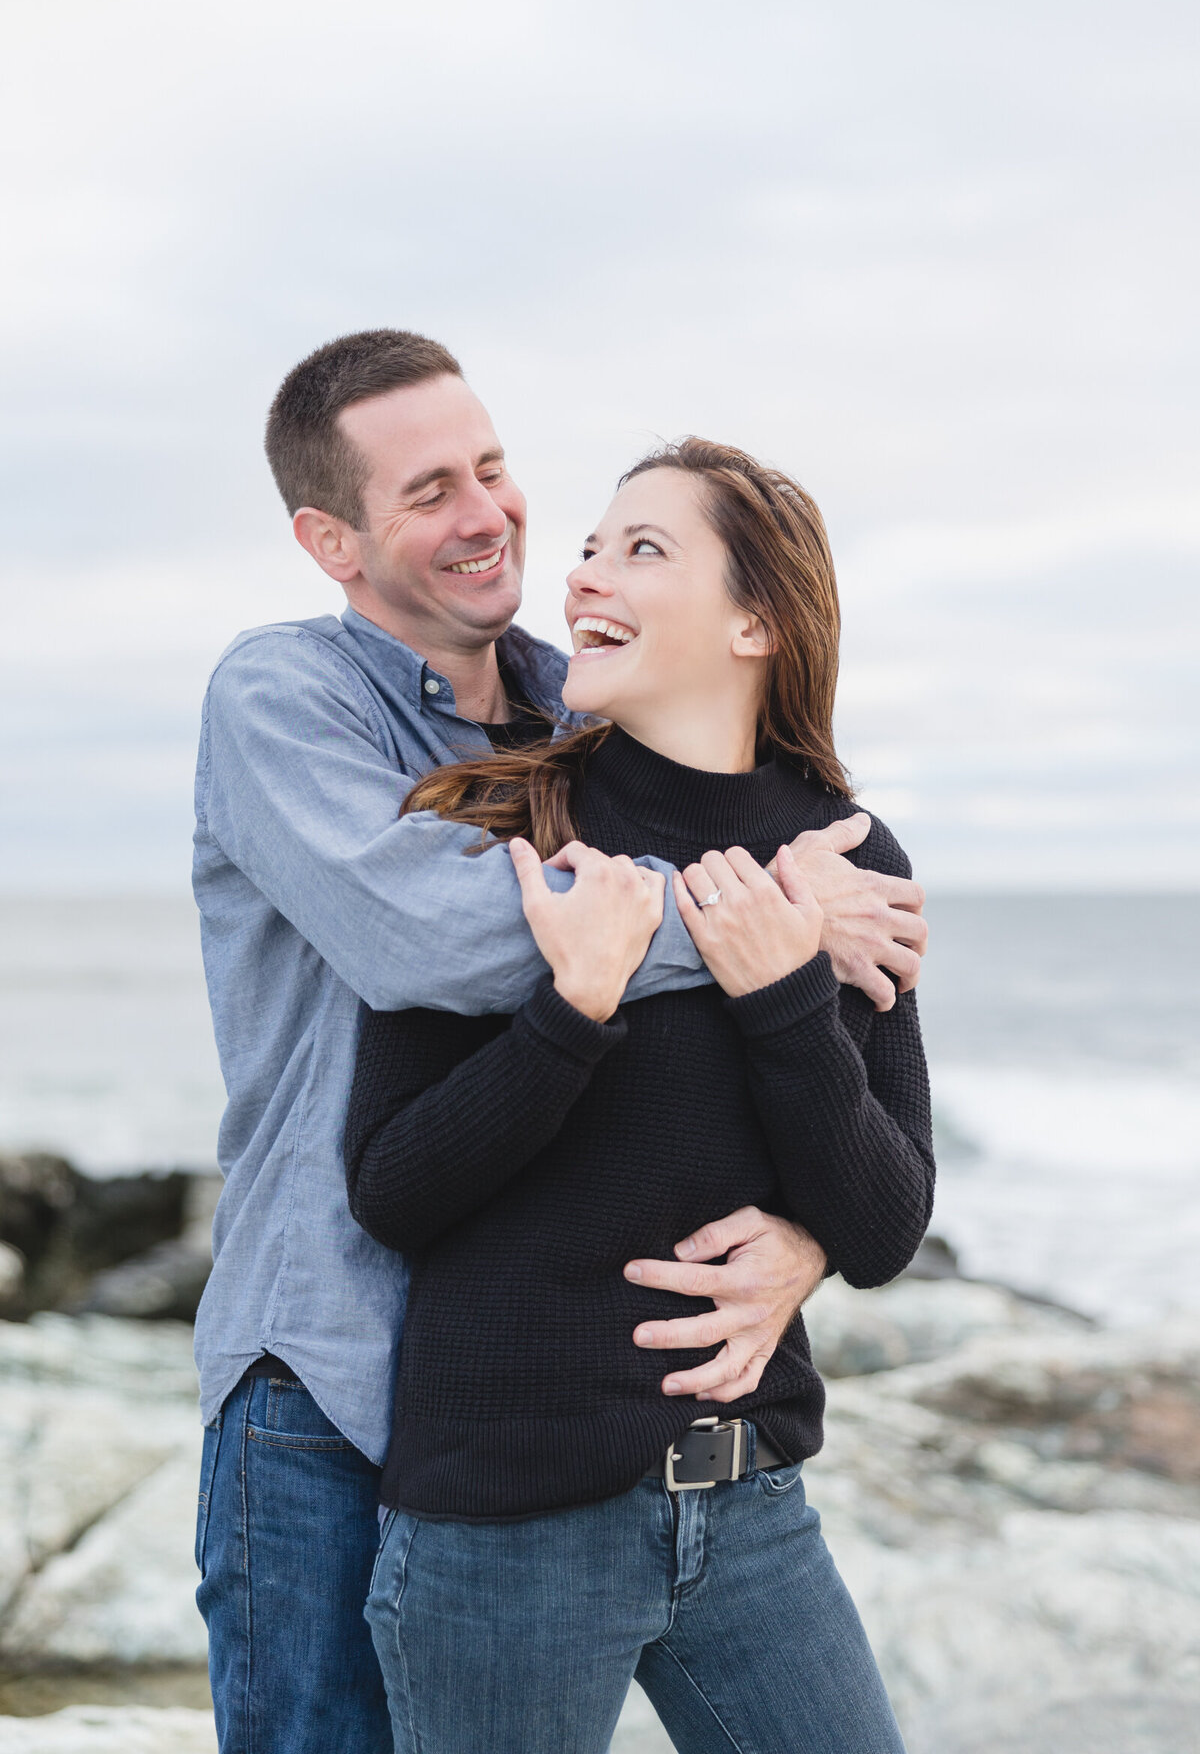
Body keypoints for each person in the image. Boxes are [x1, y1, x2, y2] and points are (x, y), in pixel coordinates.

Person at [192, 330, 929, 1754]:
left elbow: (783, 1106)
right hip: (333, 1384)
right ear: (329, 540)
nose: (491, 517)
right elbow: (445, 942)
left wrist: (813, 1240)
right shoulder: (284, 701)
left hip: (629, 1428)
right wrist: (767, 922)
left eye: (492, 467)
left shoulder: (575, 701)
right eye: (426, 493)